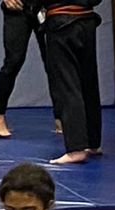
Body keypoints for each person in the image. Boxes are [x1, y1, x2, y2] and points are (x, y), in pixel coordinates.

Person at [42, 0, 104, 164]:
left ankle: (76, 148)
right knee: (88, 82)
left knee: (67, 84)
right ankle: (93, 142)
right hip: (86, 19)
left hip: (61, 20)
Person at [0, 0, 62, 138]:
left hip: (47, 8)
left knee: (54, 64)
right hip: (18, 8)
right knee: (13, 61)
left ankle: (61, 117)